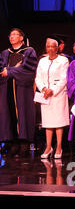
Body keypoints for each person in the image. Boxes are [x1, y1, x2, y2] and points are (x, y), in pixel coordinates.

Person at [0, 28, 38, 156]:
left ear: (22, 38)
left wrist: (10, 71)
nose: (12, 37)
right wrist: (13, 69)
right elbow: (1, 70)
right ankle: (13, 143)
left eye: (15, 35)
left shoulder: (29, 51)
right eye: (10, 35)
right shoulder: (5, 53)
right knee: (8, 114)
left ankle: (24, 144)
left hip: (22, 89)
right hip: (7, 89)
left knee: (23, 114)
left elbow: (27, 70)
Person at [35, 36, 70, 159]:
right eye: (48, 46)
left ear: (57, 48)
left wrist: (53, 90)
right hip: (45, 95)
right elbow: (38, 77)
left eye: (52, 46)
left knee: (58, 122)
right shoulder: (42, 61)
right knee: (48, 123)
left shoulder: (63, 60)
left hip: (58, 94)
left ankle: (59, 147)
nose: (50, 49)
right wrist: (44, 88)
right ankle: (48, 147)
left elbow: (64, 78)